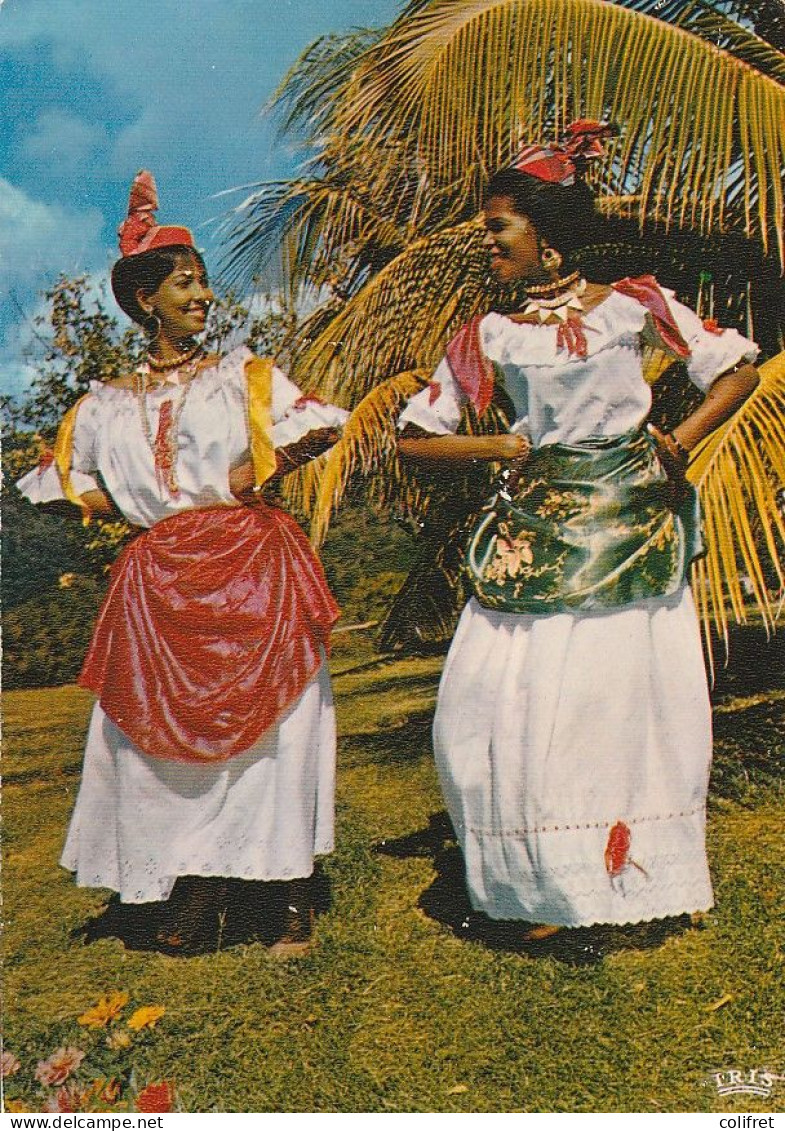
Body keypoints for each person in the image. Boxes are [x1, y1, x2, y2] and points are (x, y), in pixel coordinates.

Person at [397, 122, 760, 938]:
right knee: (489, 706)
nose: (484, 244)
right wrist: (494, 443)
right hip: (534, 532)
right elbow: (413, 437)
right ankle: (541, 884)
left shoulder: (634, 303)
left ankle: (628, 879)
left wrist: (677, 440)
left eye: (497, 228)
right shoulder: (486, 334)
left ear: (548, 234)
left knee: (616, 704)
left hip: (629, 525)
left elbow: (732, 368)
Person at [17, 170, 348, 955]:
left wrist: (240, 477)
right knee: (156, 747)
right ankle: (194, 884)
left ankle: (282, 896)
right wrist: (124, 507)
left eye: (203, 284)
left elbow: (316, 429)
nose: (201, 298)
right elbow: (68, 489)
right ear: (145, 301)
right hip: (159, 581)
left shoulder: (242, 378)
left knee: (272, 734)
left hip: (251, 567)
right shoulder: (102, 405)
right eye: (183, 284)